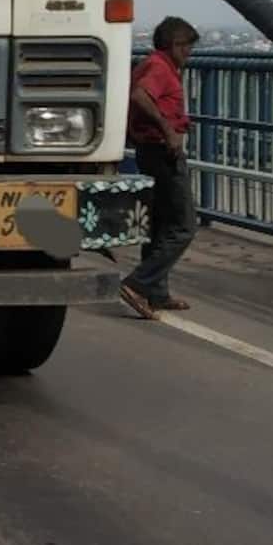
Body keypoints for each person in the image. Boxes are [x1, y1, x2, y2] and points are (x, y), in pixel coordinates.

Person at [121, 16, 200, 319]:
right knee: (183, 226)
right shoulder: (159, 68)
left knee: (162, 224)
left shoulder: (153, 65)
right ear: (175, 45)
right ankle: (138, 284)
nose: (189, 55)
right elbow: (140, 96)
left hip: (150, 150)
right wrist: (168, 130)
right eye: (187, 48)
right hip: (161, 151)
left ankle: (156, 292)